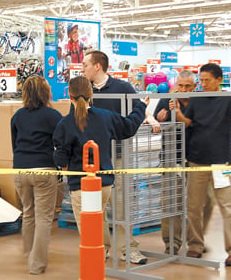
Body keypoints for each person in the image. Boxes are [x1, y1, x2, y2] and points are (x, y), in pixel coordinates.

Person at [53, 75, 149, 264]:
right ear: (91, 95)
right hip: (104, 182)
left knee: (89, 233)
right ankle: (102, 254)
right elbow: (128, 127)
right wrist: (141, 107)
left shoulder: (64, 124)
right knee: (99, 217)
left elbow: (61, 158)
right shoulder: (105, 117)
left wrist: (59, 157)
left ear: (69, 95)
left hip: (80, 186)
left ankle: (96, 262)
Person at [81, 50, 159, 264]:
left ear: (97, 66)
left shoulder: (122, 88)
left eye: (86, 64)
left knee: (122, 204)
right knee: (97, 207)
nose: (83, 68)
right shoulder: (84, 91)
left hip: (118, 156)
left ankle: (128, 249)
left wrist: (150, 118)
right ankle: (102, 247)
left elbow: (140, 107)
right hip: (94, 160)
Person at [171, 63, 231, 267]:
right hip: (197, 160)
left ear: (218, 80)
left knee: (228, 207)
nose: (203, 84)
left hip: (221, 162)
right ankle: (195, 245)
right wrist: (179, 115)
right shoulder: (197, 99)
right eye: (201, 80)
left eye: (207, 80)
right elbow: (189, 122)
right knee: (194, 207)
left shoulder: (227, 98)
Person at [153, 70, 216, 255]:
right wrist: (160, 118)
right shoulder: (166, 100)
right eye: (180, 85)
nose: (183, 89)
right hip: (172, 159)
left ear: (195, 86)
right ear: (175, 85)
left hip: (199, 159)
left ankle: (195, 239)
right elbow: (156, 122)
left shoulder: (201, 102)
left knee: (207, 201)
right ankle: (171, 242)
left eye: (188, 86)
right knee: (171, 201)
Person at [11, 76, 63, 275]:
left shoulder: (17, 116)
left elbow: (14, 144)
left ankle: (29, 256)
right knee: (44, 218)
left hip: (20, 170)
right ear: (45, 92)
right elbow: (61, 143)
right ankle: (37, 264)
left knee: (28, 214)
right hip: (44, 170)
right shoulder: (53, 116)